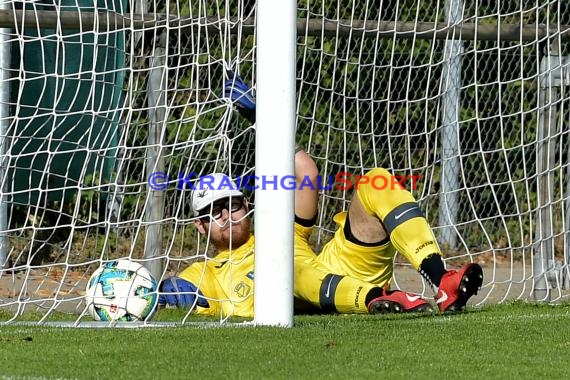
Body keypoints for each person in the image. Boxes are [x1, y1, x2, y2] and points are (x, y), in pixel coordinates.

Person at [157, 73, 483, 317]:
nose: (227, 215)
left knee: (377, 181)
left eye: (232, 204)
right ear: (200, 226)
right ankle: (377, 299)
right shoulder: (208, 272)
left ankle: (443, 282)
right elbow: (178, 292)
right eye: (214, 212)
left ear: (248, 205)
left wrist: (263, 122)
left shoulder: (282, 232)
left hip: (337, 270)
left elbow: (307, 174)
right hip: (317, 294)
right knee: (285, 269)